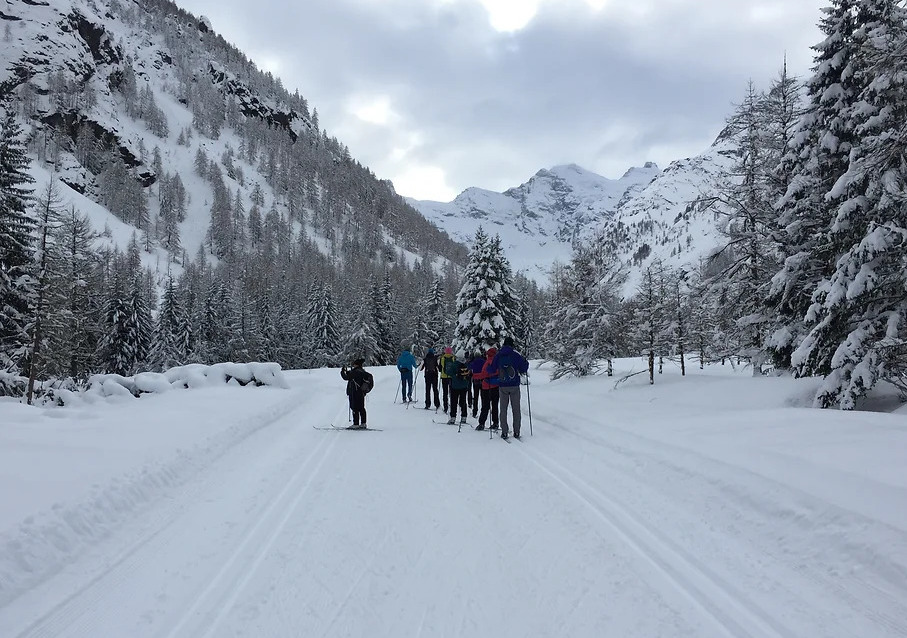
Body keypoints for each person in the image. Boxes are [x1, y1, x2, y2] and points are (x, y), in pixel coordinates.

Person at [487, 336, 529, 439]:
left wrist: (488, 368)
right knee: (516, 409)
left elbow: (492, 370)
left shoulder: (499, 355)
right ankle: (517, 431)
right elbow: (523, 369)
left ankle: (504, 431)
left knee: (503, 409)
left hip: (502, 386)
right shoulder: (515, 355)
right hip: (514, 385)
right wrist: (526, 362)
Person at [340, 357, 374, 429]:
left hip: (354, 392)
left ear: (356, 365)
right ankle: (363, 423)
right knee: (361, 407)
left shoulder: (355, 372)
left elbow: (346, 377)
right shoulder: (362, 371)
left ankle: (356, 424)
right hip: (361, 392)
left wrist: (342, 372)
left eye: (354, 364)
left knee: (354, 407)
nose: (353, 365)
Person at [474, 346, 499, 432]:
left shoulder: (487, 362)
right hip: (496, 386)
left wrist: (473, 376)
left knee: (485, 405)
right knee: (495, 405)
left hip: (486, 386)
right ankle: (495, 422)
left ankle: (482, 423)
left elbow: (483, 375)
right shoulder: (497, 363)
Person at [445, 349, 471, 425]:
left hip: (455, 386)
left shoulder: (454, 364)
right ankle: (464, 416)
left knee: (454, 402)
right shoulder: (466, 364)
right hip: (464, 386)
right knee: (463, 402)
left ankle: (453, 417)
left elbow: (448, 372)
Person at [467, 351, 485, 418]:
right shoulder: (483, 361)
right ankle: (483, 410)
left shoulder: (473, 362)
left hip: (476, 380)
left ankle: (475, 411)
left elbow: (469, 368)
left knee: (476, 396)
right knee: (483, 396)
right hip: (482, 380)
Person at [438, 347, 455, 413]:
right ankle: (452, 405)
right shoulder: (453, 358)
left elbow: (439, 369)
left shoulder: (442, 358)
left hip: (444, 377)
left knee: (445, 393)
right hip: (451, 377)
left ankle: (445, 407)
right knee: (452, 392)